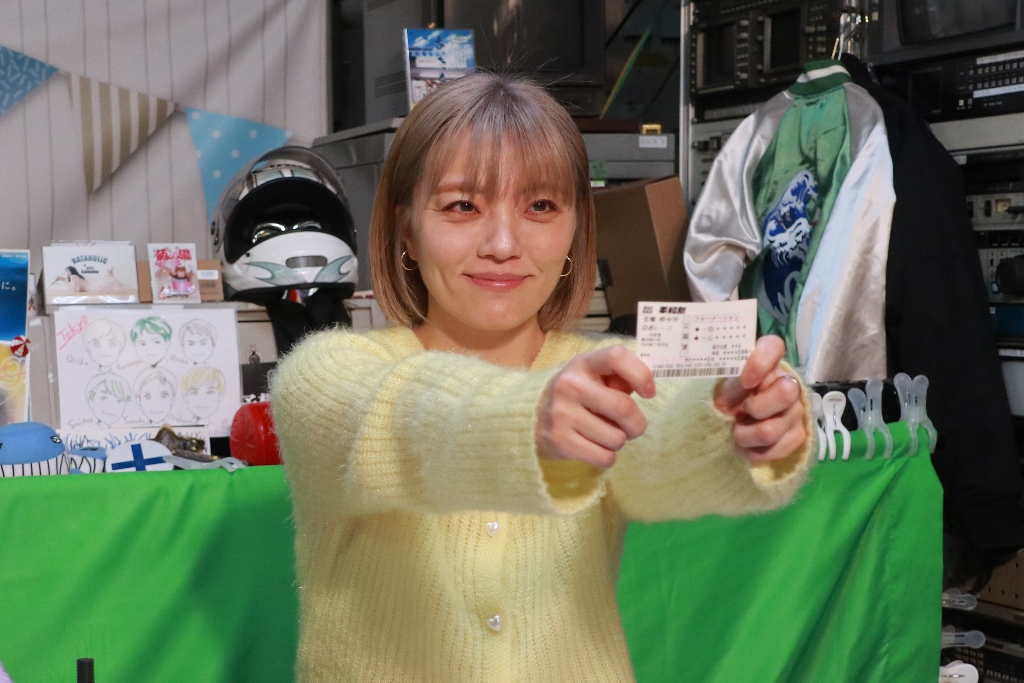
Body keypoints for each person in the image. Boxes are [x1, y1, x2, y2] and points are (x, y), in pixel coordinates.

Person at [270, 72, 813, 682]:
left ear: (576, 228)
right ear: (407, 231)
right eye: (462, 206)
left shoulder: (605, 371)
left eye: (541, 206)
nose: (503, 243)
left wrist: (745, 420)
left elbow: (668, 433)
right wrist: (529, 420)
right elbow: (402, 419)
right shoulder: (324, 374)